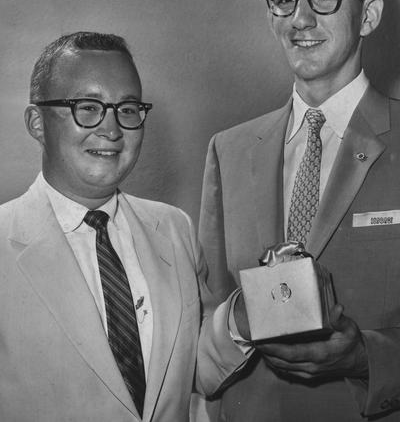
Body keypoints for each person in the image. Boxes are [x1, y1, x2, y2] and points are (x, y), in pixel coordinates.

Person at [199, 0, 400, 421]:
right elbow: (203, 322)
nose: (300, 18)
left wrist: (365, 357)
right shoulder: (229, 150)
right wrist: (238, 326)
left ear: (368, 15)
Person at [0, 31, 248, 422]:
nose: (112, 129)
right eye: (87, 107)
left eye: (128, 109)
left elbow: (196, 368)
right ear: (36, 122)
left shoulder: (173, 228)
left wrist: (245, 319)